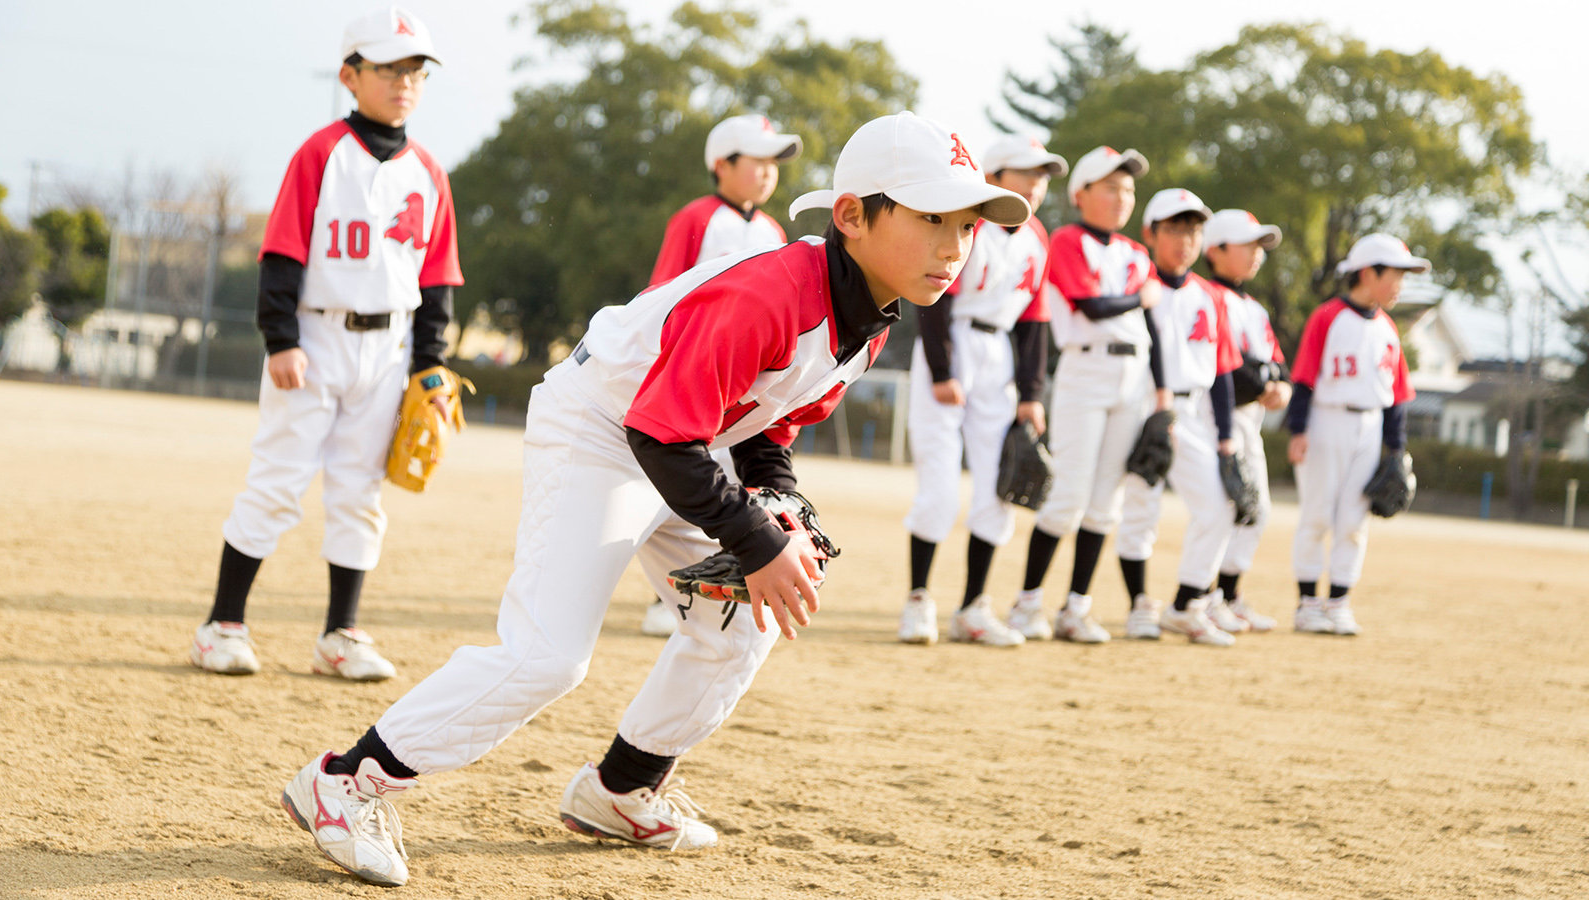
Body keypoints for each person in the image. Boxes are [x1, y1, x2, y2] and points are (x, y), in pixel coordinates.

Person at [277, 112, 1030, 888]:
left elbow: (767, 426)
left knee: (738, 628)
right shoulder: (771, 293)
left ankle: (621, 788)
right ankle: (346, 780)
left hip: (678, 441)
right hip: (602, 429)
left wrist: (778, 502)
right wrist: (757, 539)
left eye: (970, 223)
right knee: (548, 655)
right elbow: (658, 434)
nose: (955, 244)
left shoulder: (869, 314)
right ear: (851, 216)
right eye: (932, 217)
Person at [190, 7, 461, 680]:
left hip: (389, 349)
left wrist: (430, 363)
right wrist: (280, 338)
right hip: (314, 337)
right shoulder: (321, 153)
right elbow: (280, 253)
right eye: (389, 67)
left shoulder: (429, 169)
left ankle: (340, 634)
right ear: (350, 75)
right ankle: (222, 624)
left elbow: (437, 277)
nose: (405, 81)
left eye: (415, 70)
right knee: (277, 481)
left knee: (360, 491)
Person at [639, 114, 803, 637]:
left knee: (728, 486)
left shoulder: (774, 231)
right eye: (755, 160)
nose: (767, 171)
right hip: (690, 373)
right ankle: (660, 598)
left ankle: (701, 588)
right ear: (721, 164)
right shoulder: (698, 217)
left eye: (773, 161)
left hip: (744, 382)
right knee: (679, 480)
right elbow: (662, 291)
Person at [897, 134, 1063, 647]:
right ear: (994, 176)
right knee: (941, 490)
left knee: (1000, 489)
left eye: (1041, 175)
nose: (1036, 184)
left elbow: (1034, 321)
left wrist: (1032, 394)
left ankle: (972, 606)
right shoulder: (967, 220)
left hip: (1000, 359)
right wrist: (944, 370)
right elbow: (934, 298)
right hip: (953, 349)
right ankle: (919, 600)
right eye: (1026, 173)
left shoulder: (1037, 236)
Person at [1008, 146, 1168, 644]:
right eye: (1112, 187)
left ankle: (1076, 607)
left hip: (1132, 373)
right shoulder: (1068, 238)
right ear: (1081, 195)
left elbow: (1152, 325)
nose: (1123, 198)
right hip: (1085, 366)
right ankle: (1026, 602)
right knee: (1068, 496)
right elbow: (1093, 307)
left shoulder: (1136, 253)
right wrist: (1139, 298)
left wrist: (1162, 394)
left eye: (1129, 190)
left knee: (1106, 504)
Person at [1111, 189, 1245, 646]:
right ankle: (1138, 605)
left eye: (1193, 229)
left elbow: (1224, 371)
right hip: (1141, 405)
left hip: (1191, 410)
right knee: (1139, 509)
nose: (1185, 239)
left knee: (1218, 505)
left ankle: (1186, 604)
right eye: (1174, 228)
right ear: (1151, 234)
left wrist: (1226, 437)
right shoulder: (1137, 282)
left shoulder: (1209, 295)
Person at [1285, 233, 1423, 635]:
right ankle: (1308, 603)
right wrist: (1298, 430)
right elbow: (1305, 378)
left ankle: (1339, 601)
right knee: (1316, 514)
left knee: (1353, 519)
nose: (1400, 285)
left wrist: (1396, 450)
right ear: (1368, 272)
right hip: (1326, 420)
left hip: (1370, 425)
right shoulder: (1328, 316)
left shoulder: (1388, 328)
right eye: (1395, 275)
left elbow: (1397, 397)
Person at [1203, 209, 1288, 632]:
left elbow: (1276, 362)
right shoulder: (1208, 295)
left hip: (1249, 419)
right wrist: (1263, 383)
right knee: (1224, 508)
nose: (1257, 254)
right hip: (1215, 416)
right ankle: (1205, 596)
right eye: (1248, 245)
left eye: (1261, 247)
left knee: (1256, 508)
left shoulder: (1254, 308)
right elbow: (1225, 365)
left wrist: (1280, 387)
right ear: (1215, 250)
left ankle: (1227, 595)